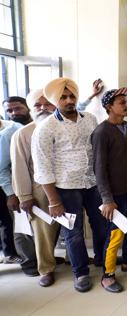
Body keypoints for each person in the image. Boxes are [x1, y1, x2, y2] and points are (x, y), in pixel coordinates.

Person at [32, 78, 108, 292]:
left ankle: (103, 262)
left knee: (101, 225)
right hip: (66, 189)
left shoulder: (90, 119)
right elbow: (42, 167)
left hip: (92, 184)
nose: (68, 100)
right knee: (73, 233)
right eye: (63, 97)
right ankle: (81, 272)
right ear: (55, 101)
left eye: (71, 96)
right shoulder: (46, 128)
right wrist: (54, 201)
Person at [91, 88, 127, 293]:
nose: (126, 104)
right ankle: (108, 274)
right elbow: (99, 169)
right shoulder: (102, 132)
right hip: (114, 195)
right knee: (115, 234)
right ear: (109, 107)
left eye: (126, 101)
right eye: (121, 102)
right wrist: (107, 199)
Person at [10, 90, 59, 286]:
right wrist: (24, 196)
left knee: (71, 228)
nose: (43, 108)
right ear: (31, 109)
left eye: (47, 103)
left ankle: (74, 261)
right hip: (39, 188)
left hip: (68, 185)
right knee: (43, 231)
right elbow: (19, 166)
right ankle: (45, 269)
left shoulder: (64, 126)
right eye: (37, 105)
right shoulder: (23, 133)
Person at [0, 98, 25, 266]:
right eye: (9, 110)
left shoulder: (14, 127)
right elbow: (1, 168)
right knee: (6, 220)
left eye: (17, 108)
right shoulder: (8, 133)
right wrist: (10, 194)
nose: (14, 113)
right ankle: (9, 253)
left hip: (20, 183)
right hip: (7, 184)